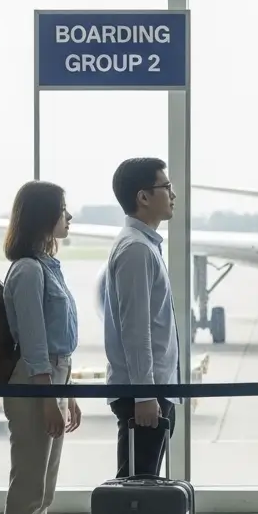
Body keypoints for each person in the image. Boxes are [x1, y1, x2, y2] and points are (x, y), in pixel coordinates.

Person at [0, 181, 81, 514]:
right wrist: (50, 396)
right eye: (63, 210)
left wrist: (66, 394)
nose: (68, 218)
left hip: (53, 377)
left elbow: (58, 340)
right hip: (35, 380)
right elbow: (33, 343)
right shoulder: (29, 270)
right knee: (28, 488)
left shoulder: (50, 265)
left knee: (44, 492)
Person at [102, 157, 180, 480]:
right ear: (143, 197)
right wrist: (145, 396)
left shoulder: (145, 246)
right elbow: (136, 332)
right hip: (144, 394)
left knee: (143, 488)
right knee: (136, 491)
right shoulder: (136, 250)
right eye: (166, 187)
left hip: (151, 390)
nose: (173, 195)